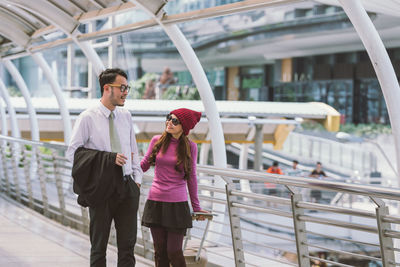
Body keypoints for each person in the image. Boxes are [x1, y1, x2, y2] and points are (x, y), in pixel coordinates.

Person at [67, 68, 143, 267]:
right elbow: (72, 154)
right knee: (98, 246)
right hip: (102, 188)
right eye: (122, 87)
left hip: (127, 186)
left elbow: (133, 149)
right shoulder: (88, 117)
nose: (126, 92)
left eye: (127, 87)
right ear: (107, 88)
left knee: (128, 246)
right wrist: (107, 159)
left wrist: (137, 181)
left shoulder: (126, 115)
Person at [140, 108, 208, 267]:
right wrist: (127, 168)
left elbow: (191, 177)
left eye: (174, 120)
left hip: (177, 205)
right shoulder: (157, 140)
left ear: (184, 126)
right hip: (155, 202)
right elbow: (144, 165)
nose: (169, 122)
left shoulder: (190, 147)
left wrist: (196, 207)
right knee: (160, 251)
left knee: (174, 251)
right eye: (168, 118)